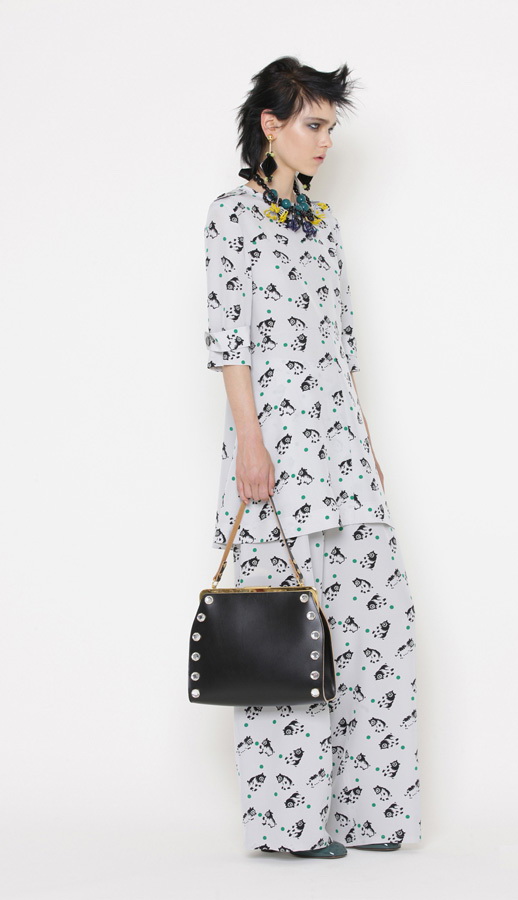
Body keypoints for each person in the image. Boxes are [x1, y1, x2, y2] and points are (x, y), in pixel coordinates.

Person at [202, 56, 422, 859]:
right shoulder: (231, 216)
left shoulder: (323, 224)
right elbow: (229, 341)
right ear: (272, 125)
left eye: (331, 126)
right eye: (314, 125)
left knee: (375, 621)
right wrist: (250, 445)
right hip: (276, 451)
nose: (326, 140)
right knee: (283, 626)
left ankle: (370, 815)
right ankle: (289, 826)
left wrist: (366, 446)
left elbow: (341, 348)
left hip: (343, 453)